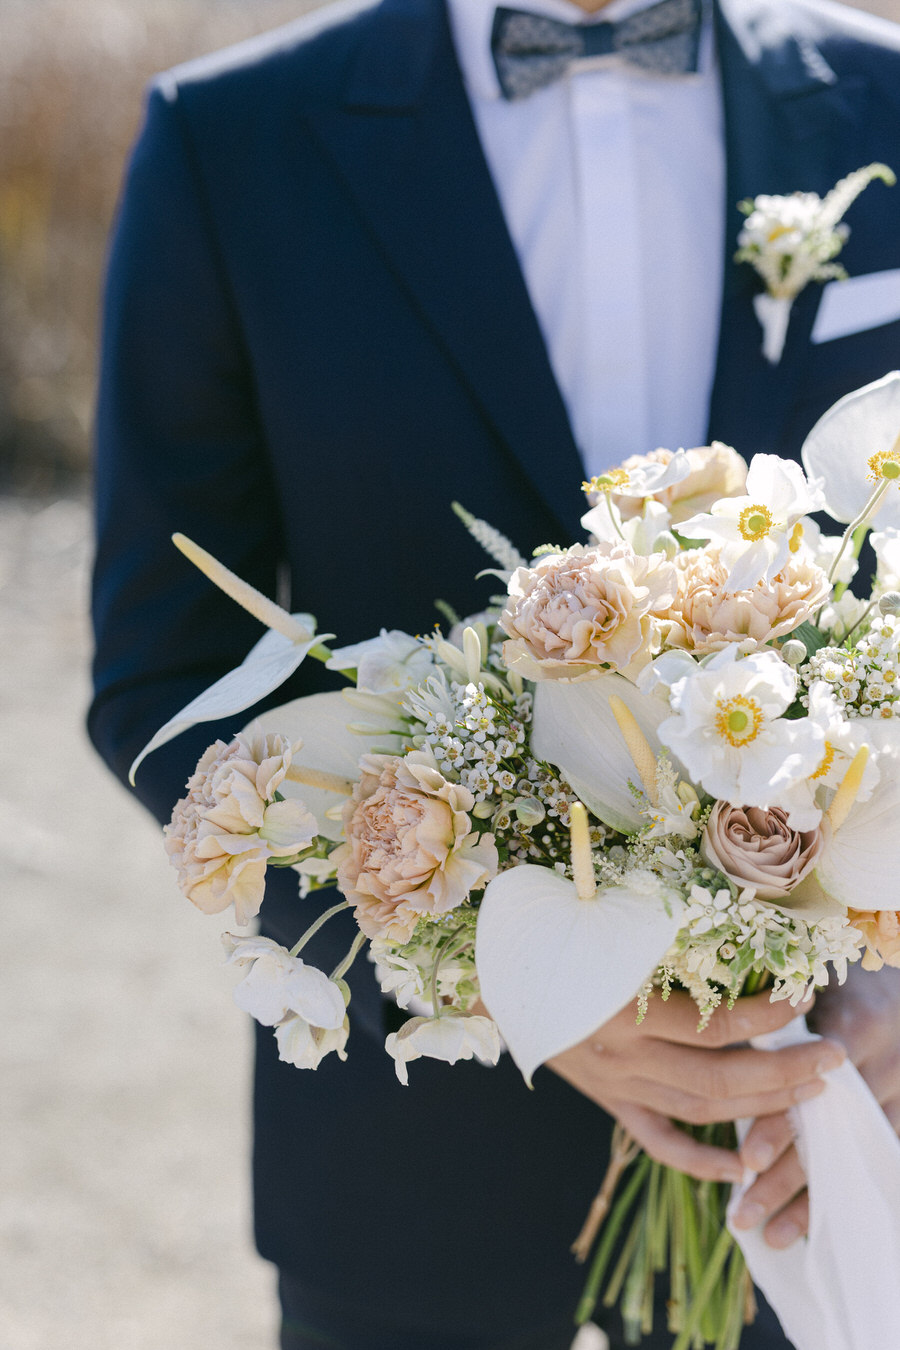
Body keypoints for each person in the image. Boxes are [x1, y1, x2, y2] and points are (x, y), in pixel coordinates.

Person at [90, 0, 900, 1345]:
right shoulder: (231, 142)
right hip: (413, 1189)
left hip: (835, 1156)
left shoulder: (885, 102)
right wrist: (488, 971)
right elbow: (160, 669)